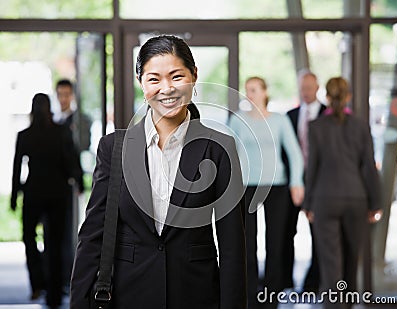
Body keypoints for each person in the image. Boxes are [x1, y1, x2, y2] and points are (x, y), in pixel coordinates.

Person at [70, 35, 247, 309]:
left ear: (194, 76)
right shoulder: (114, 148)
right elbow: (93, 234)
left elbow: (233, 244)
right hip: (128, 294)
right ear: (141, 83)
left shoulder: (219, 148)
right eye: (154, 79)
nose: (167, 88)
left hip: (195, 295)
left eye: (176, 76)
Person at [303, 77, 382, 309]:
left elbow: (312, 168)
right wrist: (376, 203)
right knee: (350, 261)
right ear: (348, 96)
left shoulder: (316, 127)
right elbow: (368, 166)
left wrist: (308, 205)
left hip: (324, 200)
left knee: (330, 264)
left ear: (327, 97)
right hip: (356, 199)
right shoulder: (360, 125)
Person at [228, 76, 304, 308]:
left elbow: (294, 154)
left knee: (276, 241)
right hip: (245, 186)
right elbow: (228, 153)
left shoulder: (280, 120)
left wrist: (296, 183)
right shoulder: (238, 120)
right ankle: (250, 294)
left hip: (276, 186)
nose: (249, 94)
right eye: (246, 90)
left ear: (264, 92)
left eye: (253, 90)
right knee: (247, 242)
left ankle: (272, 294)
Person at [11, 93, 83, 308]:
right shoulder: (61, 133)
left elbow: (17, 168)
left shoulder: (25, 135)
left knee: (29, 237)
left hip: (33, 193)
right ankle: (53, 291)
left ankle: (37, 283)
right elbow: (71, 159)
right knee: (55, 242)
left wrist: (15, 196)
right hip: (58, 194)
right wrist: (79, 182)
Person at [285, 69, 325, 292]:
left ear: (317, 88)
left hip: (319, 185)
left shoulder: (328, 115)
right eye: (302, 89)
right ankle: (285, 281)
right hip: (293, 184)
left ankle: (313, 282)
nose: (305, 92)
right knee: (286, 232)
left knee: (318, 235)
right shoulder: (290, 115)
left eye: (309, 88)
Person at [54, 79, 89, 291]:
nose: (63, 98)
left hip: (70, 183)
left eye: (67, 94)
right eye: (60, 94)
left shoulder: (81, 120)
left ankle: (69, 274)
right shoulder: (52, 121)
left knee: (70, 230)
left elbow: (83, 146)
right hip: (55, 184)